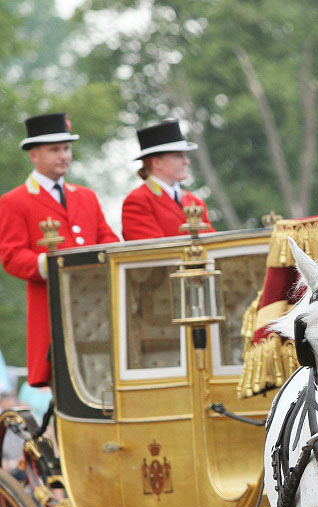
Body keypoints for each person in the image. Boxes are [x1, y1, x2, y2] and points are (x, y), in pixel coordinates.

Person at [0, 113, 119, 386]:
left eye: (66, 148)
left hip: (97, 308)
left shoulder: (86, 196)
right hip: (52, 312)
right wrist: (49, 264)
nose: (64, 155)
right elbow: (11, 256)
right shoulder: (14, 201)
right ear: (34, 155)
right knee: (65, 385)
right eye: (55, 149)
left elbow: (108, 238)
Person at [121, 119, 214, 240]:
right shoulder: (139, 201)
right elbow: (152, 251)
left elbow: (213, 242)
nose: (186, 161)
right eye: (178, 156)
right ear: (156, 162)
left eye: (185, 155)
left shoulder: (194, 201)